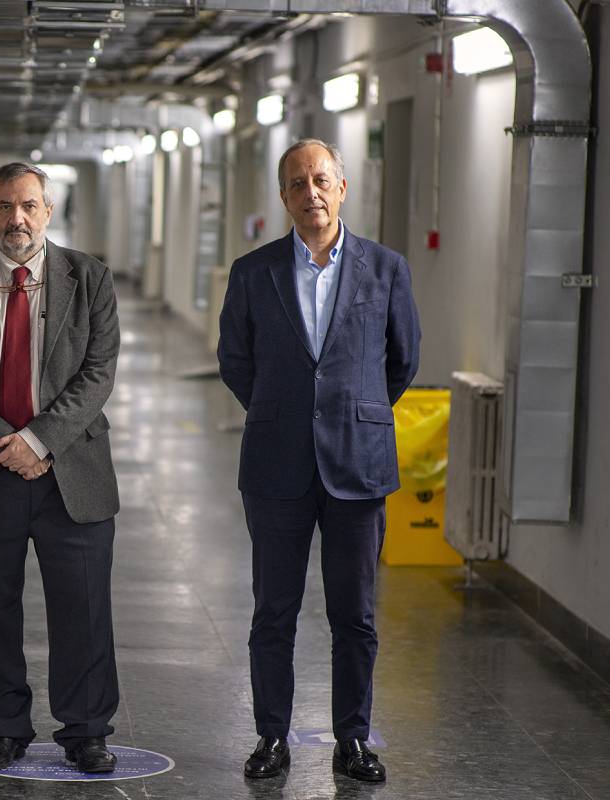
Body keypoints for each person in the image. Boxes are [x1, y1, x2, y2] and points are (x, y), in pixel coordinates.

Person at [217, 139, 420, 783]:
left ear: (343, 186)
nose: (312, 193)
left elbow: (402, 359)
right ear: (284, 198)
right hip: (276, 465)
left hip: (356, 468)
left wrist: (348, 411)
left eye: (321, 180)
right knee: (272, 611)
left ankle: (352, 741)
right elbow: (235, 359)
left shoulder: (385, 269)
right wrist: (286, 409)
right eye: (298, 184)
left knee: (353, 615)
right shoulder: (254, 273)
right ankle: (271, 737)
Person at [0, 163, 122, 773]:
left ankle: (86, 729)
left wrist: (39, 440)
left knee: (83, 607)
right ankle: (3, 726)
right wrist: (6, 445)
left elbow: (98, 373)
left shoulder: (89, 279)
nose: (18, 219)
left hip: (71, 473)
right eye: (5, 207)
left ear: (49, 209)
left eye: (29, 206)